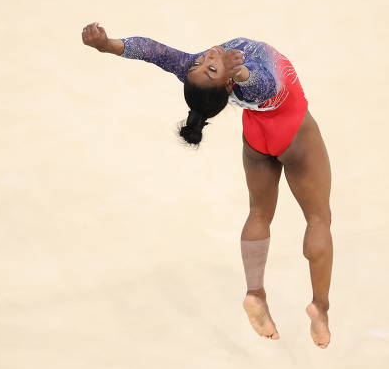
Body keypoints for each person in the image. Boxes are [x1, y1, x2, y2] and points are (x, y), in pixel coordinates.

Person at [82, 22, 333, 348]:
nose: (207, 57)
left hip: (257, 138)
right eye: (211, 67)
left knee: (259, 212)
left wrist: (108, 45)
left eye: (201, 64)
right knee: (318, 218)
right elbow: (262, 82)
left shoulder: (198, 68)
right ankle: (320, 307)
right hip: (294, 132)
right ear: (228, 86)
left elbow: (153, 51)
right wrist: (239, 71)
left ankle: (255, 293)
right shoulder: (249, 82)